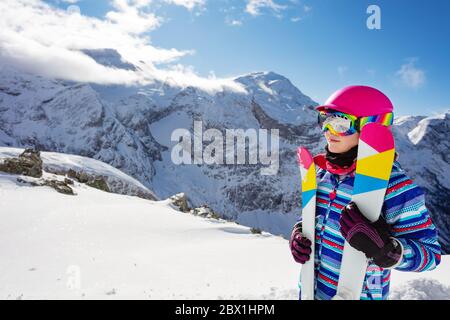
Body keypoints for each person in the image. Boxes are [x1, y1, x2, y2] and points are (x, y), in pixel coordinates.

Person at [289, 85, 441, 300]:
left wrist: (387, 250)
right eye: (325, 120)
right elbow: (310, 217)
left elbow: (431, 255)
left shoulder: (396, 187)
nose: (328, 131)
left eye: (340, 123)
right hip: (311, 291)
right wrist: (299, 233)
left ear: (370, 128)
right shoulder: (323, 175)